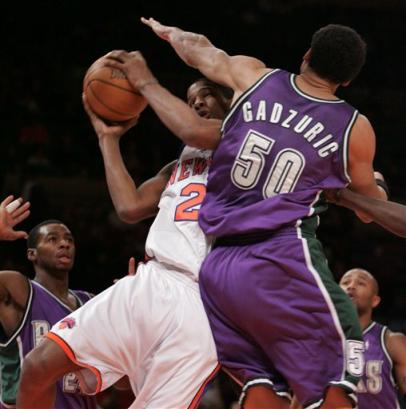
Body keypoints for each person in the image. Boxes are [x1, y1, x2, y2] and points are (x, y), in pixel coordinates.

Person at [140, 18, 389, 409]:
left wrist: (170, 33)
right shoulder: (354, 128)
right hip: (280, 256)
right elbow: (369, 211)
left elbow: (200, 48)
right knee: (340, 375)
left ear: (306, 55)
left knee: (260, 384)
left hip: (219, 266)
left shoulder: (254, 75)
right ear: (347, 81)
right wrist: (376, 183)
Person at [16, 73, 232, 408]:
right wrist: (107, 139)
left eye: (206, 95)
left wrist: (146, 81)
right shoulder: (179, 164)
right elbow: (129, 208)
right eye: (190, 101)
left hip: (202, 303)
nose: (197, 104)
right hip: (152, 280)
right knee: (36, 366)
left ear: (231, 101)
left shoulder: (249, 150)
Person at [0, 217, 96, 409]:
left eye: (69, 240)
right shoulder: (17, 288)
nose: (64, 244)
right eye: (52, 239)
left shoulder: (90, 303)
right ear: (32, 254)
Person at [339, 268, 406, 408]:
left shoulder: (391, 341)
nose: (351, 286)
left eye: (361, 283)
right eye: (345, 283)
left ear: (374, 301)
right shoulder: (320, 341)